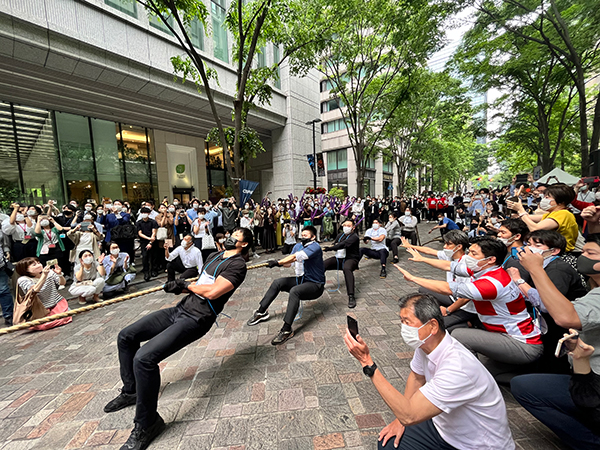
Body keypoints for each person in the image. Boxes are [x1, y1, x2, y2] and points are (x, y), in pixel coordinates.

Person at [104, 228, 252, 450]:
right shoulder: (215, 256)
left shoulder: (238, 265)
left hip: (197, 319)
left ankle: (148, 423)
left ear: (244, 244)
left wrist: (185, 284)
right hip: (180, 310)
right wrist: (179, 289)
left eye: (236, 236)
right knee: (126, 336)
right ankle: (131, 391)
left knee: (144, 359)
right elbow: (200, 286)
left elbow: (212, 292)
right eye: (232, 233)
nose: (230, 237)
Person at [344, 293, 514, 450]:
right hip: (445, 428)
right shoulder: (426, 345)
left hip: (475, 444)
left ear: (432, 325)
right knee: (388, 444)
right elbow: (417, 377)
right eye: (401, 321)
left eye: (407, 322)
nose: (403, 328)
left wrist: (368, 363)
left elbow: (410, 415)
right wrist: (400, 420)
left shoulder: (458, 368)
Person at [396, 237, 543, 379]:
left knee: (460, 335)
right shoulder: (485, 269)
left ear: (490, 259)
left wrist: (413, 278)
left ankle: (467, 379)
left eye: (473, 254)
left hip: (522, 344)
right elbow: (449, 265)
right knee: (488, 372)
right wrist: (422, 259)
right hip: (508, 336)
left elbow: (448, 288)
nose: (468, 256)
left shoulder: (493, 283)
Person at [510, 234, 600, 449]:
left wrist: (535, 270)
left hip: (594, 380)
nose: (581, 256)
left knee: (526, 388)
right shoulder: (592, 286)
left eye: (589, 253)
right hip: (583, 369)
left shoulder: (557, 270)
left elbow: (564, 316)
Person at [506, 230, 587, 374]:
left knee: (554, 364)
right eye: (528, 244)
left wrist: (518, 281)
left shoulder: (558, 270)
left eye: (537, 245)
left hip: (564, 329)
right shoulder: (540, 267)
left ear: (554, 251)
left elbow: (546, 305)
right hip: (547, 325)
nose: (529, 249)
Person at [247, 226, 325, 345]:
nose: (302, 237)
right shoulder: (297, 246)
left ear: (313, 237)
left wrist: (278, 262)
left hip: (315, 285)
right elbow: (289, 263)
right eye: (302, 235)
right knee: (278, 282)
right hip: (301, 280)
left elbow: (294, 257)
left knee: (295, 291)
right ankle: (261, 312)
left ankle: (287, 329)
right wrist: (278, 263)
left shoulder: (315, 247)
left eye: (306, 235)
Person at [401, 231, 480, 332]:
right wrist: (410, 246)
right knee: (423, 289)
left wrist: (448, 310)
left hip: (466, 307)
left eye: (448, 244)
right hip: (453, 297)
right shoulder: (450, 256)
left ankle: (467, 323)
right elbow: (429, 251)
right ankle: (449, 315)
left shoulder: (466, 264)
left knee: (439, 327)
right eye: (445, 243)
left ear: (459, 246)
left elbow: (466, 297)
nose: (445, 246)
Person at [507, 183, 578, 253]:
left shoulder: (563, 214)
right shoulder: (553, 214)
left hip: (560, 254)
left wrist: (521, 210)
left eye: (547, 197)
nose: (544, 200)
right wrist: (516, 202)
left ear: (560, 201)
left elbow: (535, 228)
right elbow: (527, 217)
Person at [15, 257, 72, 330]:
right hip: (40, 309)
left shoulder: (50, 272)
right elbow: (35, 290)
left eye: (39, 263)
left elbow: (62, 283)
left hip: (57, 303)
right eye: (34, 265)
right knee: (44, 325)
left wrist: (59, 274)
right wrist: (44, 275)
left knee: (67, 316)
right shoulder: (23, 279)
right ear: (26, 270)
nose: (39, 265)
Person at [323, 220, 361, 308]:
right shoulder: (340, 235)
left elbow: (343, 244)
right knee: (324, 264)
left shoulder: (354, 237)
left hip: (351, 258)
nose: (346, 227)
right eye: (345, 225)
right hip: (339, 258)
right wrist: (333, 246)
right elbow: (337, 244)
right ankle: (319, 285)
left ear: (353, 227)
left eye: (349, 225)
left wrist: (329, 248)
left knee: (347, 269)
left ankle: (351, 296)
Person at [136, 207, 159, 282]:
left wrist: (151, 242)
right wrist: (149, 239)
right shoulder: (139, 223)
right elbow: (140, 233)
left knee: (154, 257)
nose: (144, 214)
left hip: (153, 242)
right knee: (145, 257)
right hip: (143, 242)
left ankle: (154, 270)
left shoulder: (153, 222)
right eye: (142, 213)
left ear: (149, 214)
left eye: (145, 213)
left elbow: (154, 232)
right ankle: (146, 272)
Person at [0, 240, 13, 325]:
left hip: (1, 266)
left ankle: (9, 316)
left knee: (3, 290)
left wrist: (6, 251)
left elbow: (3, 243)